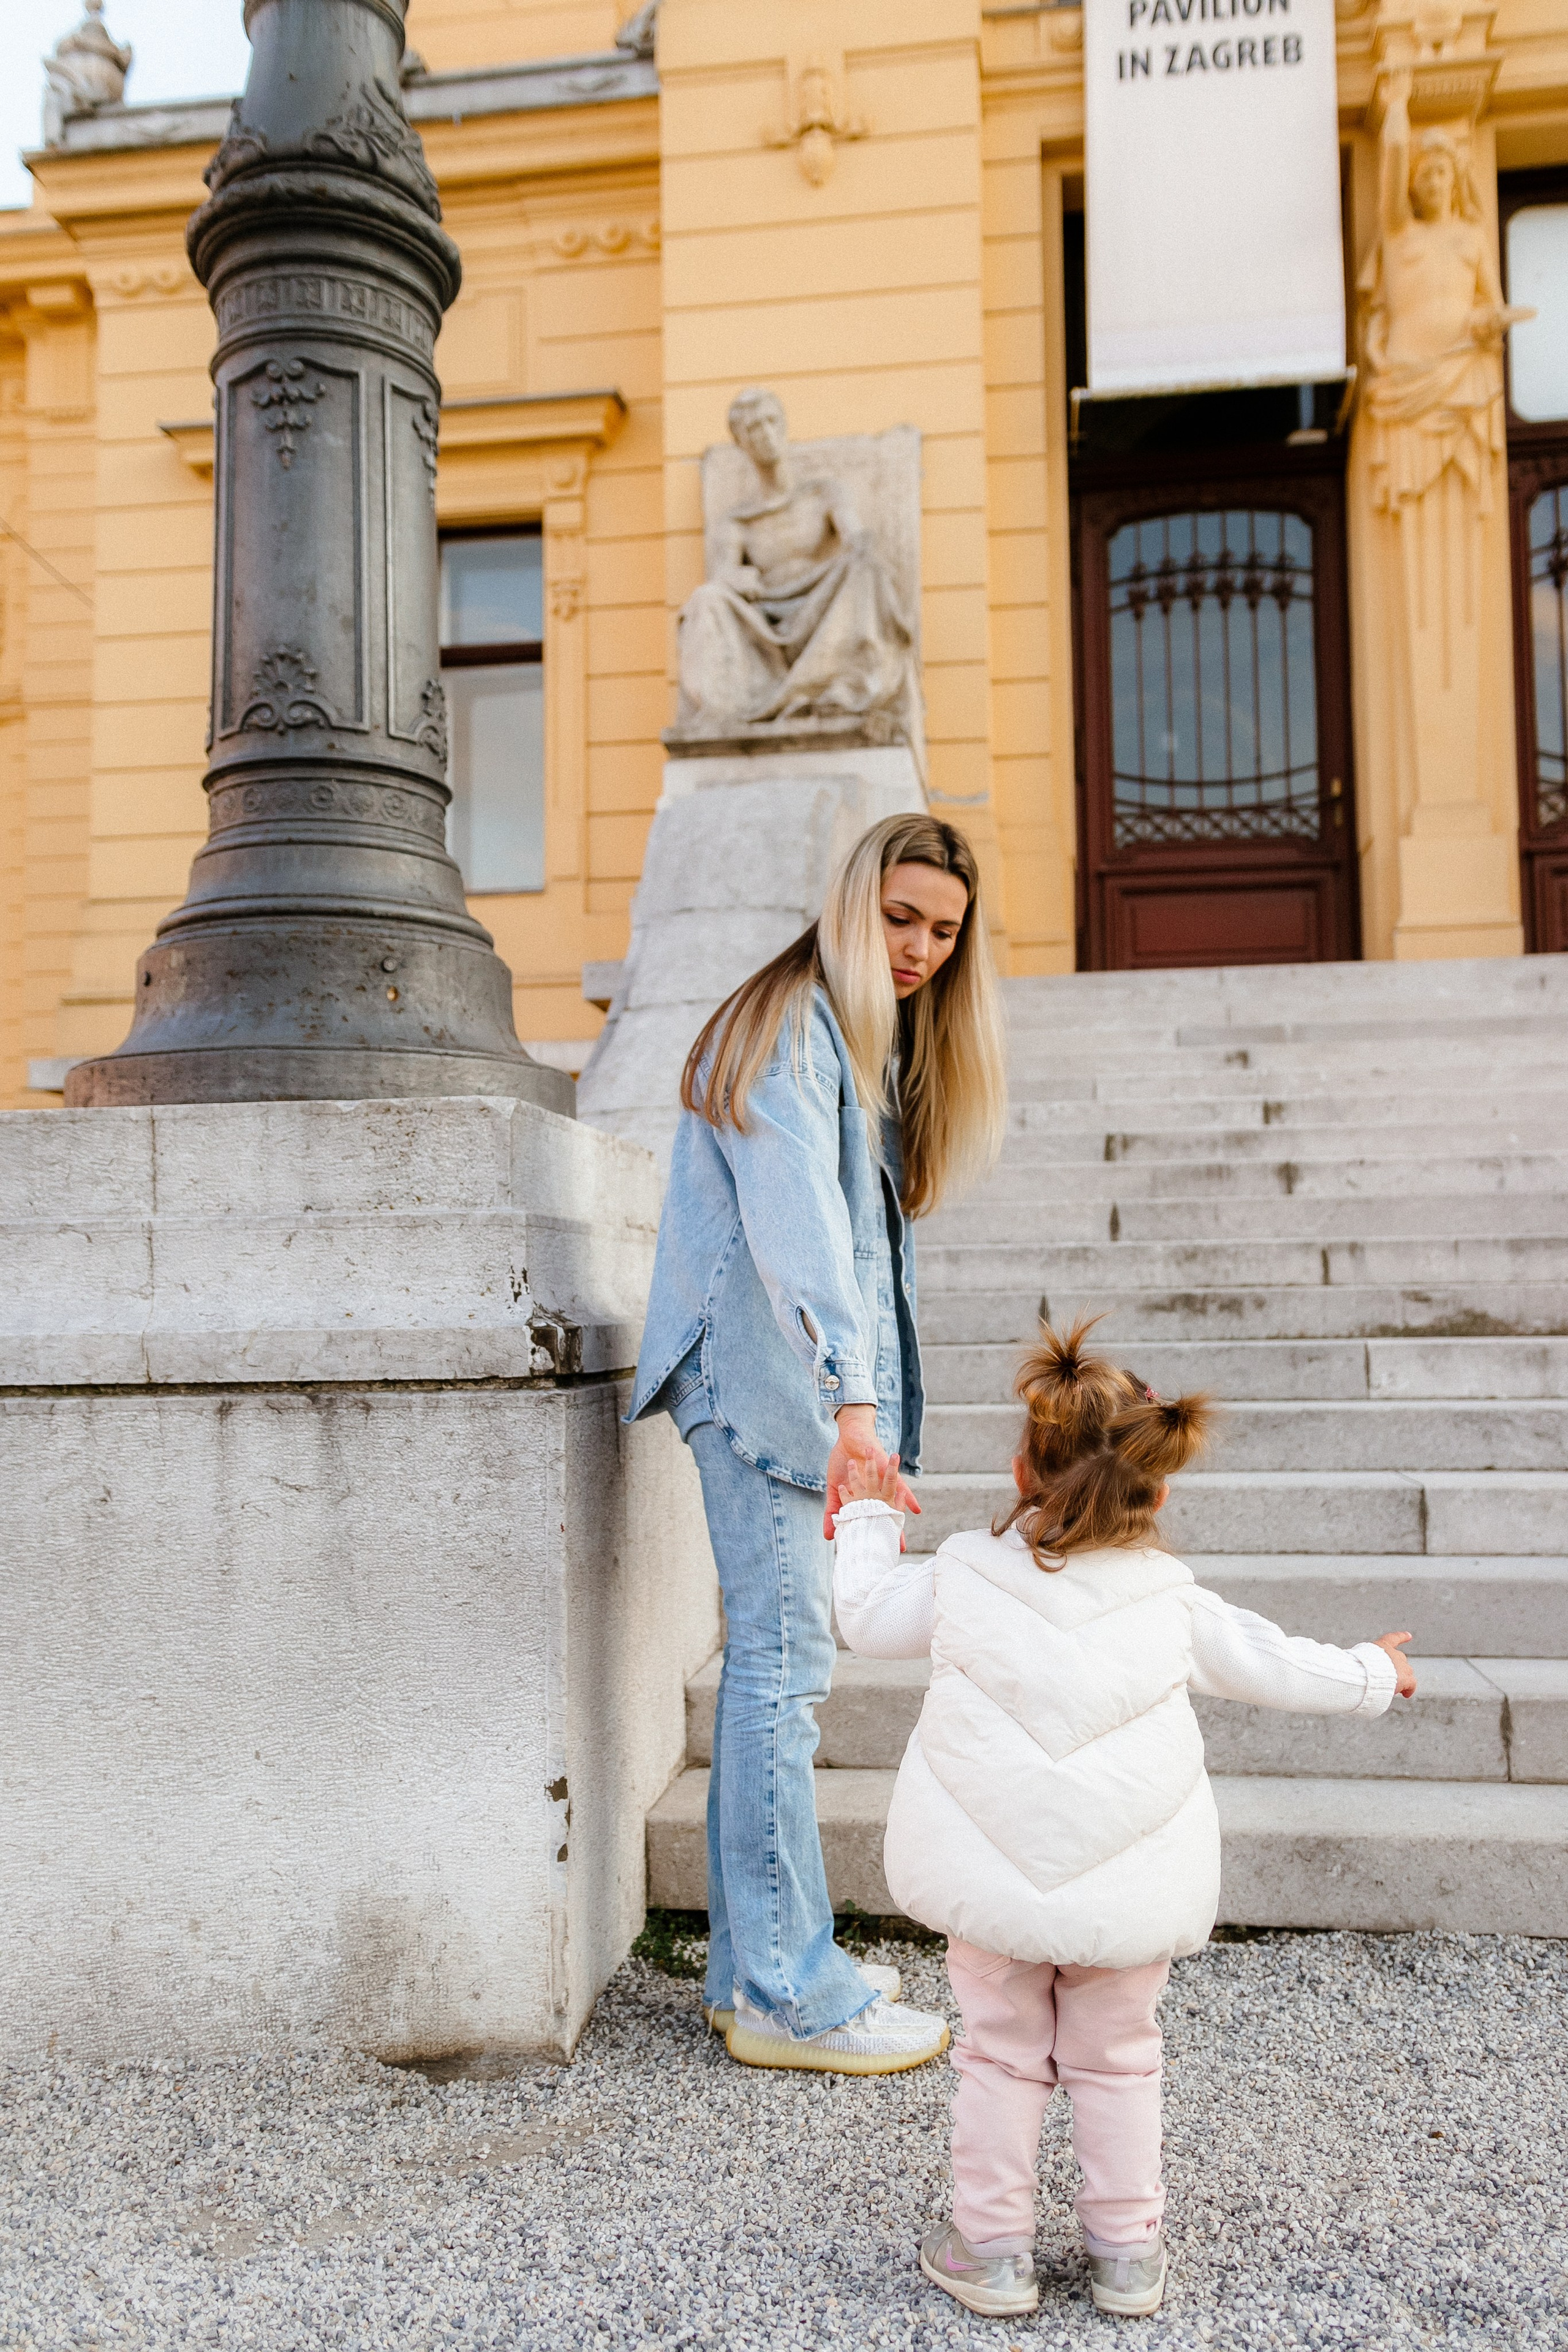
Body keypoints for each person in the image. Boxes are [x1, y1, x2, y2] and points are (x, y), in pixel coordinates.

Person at [832, 1319, 1419, 2317]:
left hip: (993, 1885)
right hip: (1127, 1888)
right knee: (1118, 2060)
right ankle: (1124, 2254)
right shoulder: (1176, 1601)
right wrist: (1374, 1671)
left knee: (1000, 2054)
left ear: (1022, 1466)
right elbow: (1279, 1664)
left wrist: (868, 1517)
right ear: (1159, 1486)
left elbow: (867, 1614)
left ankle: (992, 2249)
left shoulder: (964, 1573)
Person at [627, 812, 1008, 2073]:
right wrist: (853, 1403)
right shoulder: (788, 1020)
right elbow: (798, 1226)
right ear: (852, 907)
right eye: (898, 917)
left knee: (772, 1679)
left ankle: (754, 1970)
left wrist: (861, 1402)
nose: (918, 947)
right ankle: (792, 1995)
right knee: (782, 1682)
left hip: (783, 1386)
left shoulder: (854, 1039)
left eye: (942, 930)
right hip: (764, 1386)